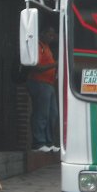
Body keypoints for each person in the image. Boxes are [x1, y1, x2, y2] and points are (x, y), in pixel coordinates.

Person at [26, 24, 59, 153]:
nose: (51, 37)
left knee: (53, 114)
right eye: (49, 34)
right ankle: (38, 143)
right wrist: (54, 64)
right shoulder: (38, 46)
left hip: (49, 84)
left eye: (53, 35)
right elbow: (36, 67)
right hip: (38, 82)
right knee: (41, 113)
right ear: (42, 34)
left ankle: (49, 142)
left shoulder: (47, 48)